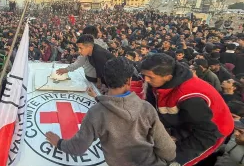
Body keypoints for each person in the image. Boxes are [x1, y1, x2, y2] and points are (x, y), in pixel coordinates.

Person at [45, 57, 176, 165]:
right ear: (129, 80)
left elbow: (78, 147)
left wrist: (59, 142)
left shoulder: (96, 113)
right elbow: (169, 150)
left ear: (106, 80)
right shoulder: (147, 108)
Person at [141, 53, 234, 166]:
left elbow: (206, 135)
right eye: (144, 75)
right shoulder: (157, 82)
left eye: (150, 77)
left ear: (168, 77)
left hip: (211, 132)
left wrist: (176, 156)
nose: (146, 80)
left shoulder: (190, 96)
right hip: (185, 123)